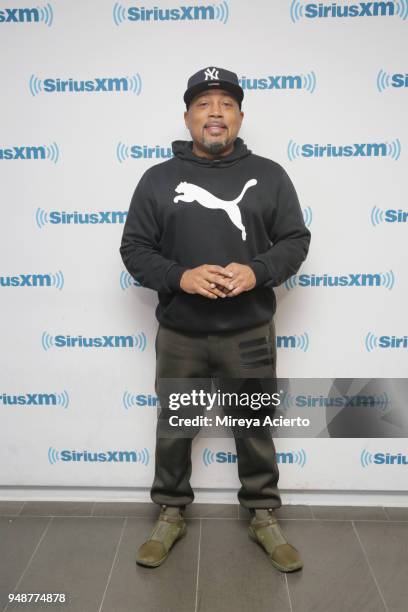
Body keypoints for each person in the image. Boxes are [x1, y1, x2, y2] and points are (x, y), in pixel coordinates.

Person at [119, 66, 311, 572]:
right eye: (204, 105)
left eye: (226, 104)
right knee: (175, 427)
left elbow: (296, 240)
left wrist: (257, 271)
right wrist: (180, 277)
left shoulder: (270, 176)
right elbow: (134, 250)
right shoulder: (157, 180)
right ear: (187, 117)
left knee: (253, 426)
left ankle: (264, 515)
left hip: (248, 332)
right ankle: (170, 511)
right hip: (182, 333)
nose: (216, 113)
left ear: (240, 117)